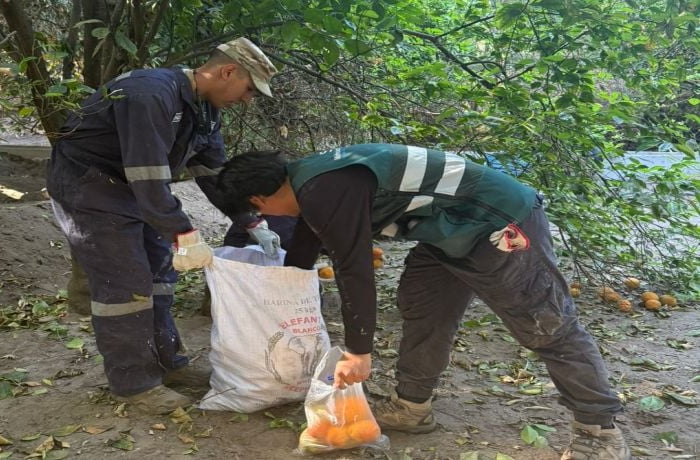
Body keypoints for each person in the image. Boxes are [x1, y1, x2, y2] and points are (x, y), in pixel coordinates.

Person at [215, 144, 630, 459]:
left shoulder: (325, 186)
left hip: (497, 222)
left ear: (259, 201)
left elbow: (353, 266)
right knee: (423, 307)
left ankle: (599, 431)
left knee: (545, 325)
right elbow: (308, 243)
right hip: (447, 231)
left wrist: (359, 351)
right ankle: (413, 406)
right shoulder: (310, 182)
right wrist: (283, 291)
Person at [46, 37, 280, 415]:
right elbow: (149, 176)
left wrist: (251, 221)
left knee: (159, 274)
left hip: (134, 191)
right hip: (90, 189)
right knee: (125, 284)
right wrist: (183, 233)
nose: (247, 100)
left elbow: (215, 175)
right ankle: (134, 384)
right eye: (249, 89)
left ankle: (167, 364)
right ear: (227, 71)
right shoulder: (150, 94)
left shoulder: (204, 111)